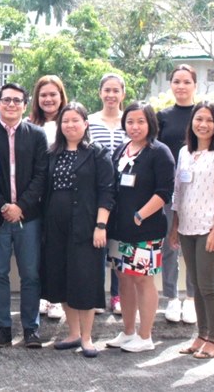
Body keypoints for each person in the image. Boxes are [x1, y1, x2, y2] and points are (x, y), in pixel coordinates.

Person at [42, 103, 114, 358]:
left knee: (84, 280)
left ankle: (87, 337)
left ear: (85, 123)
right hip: (56, 227)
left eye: (75, 120)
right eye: (65, 121)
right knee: (62, 279)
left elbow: (107, 191)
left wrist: (100, 224)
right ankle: (72, 333)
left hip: (86, 226)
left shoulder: (97, 153)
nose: (70, 125)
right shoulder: (53, 154)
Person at [106, 102, 175, 353]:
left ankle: (145, 336)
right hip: (118, 229)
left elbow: (164, 192)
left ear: (151, 123)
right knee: (123, 278)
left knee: (143, 280)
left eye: (140, 121)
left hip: (145, 229)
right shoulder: (121, 150)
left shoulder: (159, 152)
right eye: (130, 122)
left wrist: (139, 215)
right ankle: (128, 331)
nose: (135, 127)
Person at [169, 101, 214, 360]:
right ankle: (201, 334)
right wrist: (174, 226)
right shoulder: (185, 152)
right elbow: (178, 191)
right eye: (199, 119)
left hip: (210, 228)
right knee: (196, 285)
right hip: (186, 226)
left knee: (208, 285)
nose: (203, 124)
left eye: (209, 120)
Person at [0, 83, 49, 350]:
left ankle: (31, 329)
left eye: (17, 100)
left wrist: (20, 206)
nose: (11, 104)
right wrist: (4, 206)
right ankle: (2, 329)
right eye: (6, 100)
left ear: (25, 105)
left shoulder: (36, 135)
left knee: (31, 274)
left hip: (29, 216)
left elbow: (41, 175)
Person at [156, 64, 199, 323]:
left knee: (193, 246)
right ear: (170, 85)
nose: (181, 86)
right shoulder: (162, 116)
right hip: (168, 190)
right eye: (176, 82)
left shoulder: (203, 114)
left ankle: (192, 299)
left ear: (195, 85)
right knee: (169, 246)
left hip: (198, 192)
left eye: (186, 82)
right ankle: (172, 297)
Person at [27, 74, 68, 320]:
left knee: (56, 249)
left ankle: (56, 299)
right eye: (43, 95)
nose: (48, 99)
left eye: (53, 94)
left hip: (60, 197)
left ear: (61, 96)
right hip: (34, 197)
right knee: (37, 249)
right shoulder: (30, 124)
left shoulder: (70, 122)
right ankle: (42, 297)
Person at [88, 73, 129, 315]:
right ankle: (96, 297)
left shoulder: (131, 120)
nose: (111, 95)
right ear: (100, 93)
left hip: (126, 193)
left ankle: (117, 296)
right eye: (107, 90)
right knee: (97, 247)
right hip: (97, 194)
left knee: (119, 247)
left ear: (123, 94)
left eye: (116, 90)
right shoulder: (90, 121)